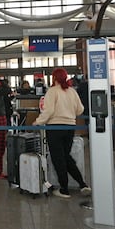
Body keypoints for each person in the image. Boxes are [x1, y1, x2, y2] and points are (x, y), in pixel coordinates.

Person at [33, 68, 91, 198]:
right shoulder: (72, 92)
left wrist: (37, 122)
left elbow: (48, 111)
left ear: (54, 78)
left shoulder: (52, 92)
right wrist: (69, 114)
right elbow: (80, 110)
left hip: (55, 128)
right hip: (70, 128)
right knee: (66, 156)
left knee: (58, 159)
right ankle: (82, 184)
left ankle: (64, 189)